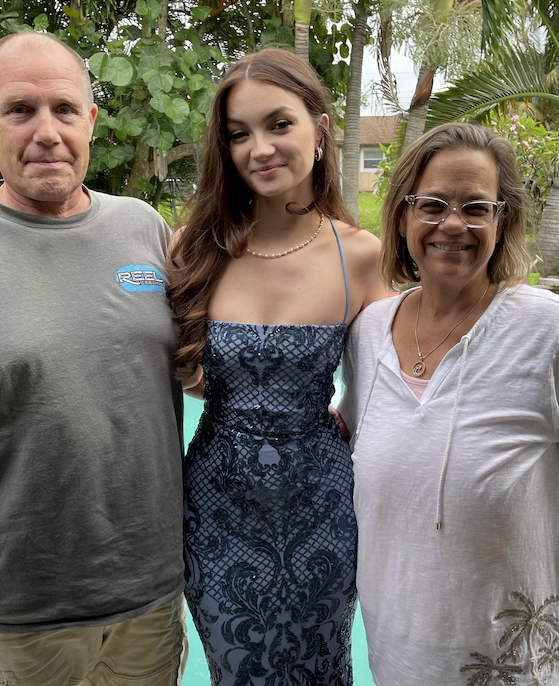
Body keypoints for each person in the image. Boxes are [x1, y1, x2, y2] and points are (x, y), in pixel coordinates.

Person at [0, 33, 188, 685]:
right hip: (14, 618)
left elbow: (189, 370)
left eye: (64, 109)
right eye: (21, 110)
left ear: (91, 119)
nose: (47, 132)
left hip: (150, 603)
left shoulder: (143, 228)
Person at [338, 123, 559, 686]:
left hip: (513, 658)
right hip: (397, 650)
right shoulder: (368, 331)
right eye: (432, 205)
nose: (453, 224)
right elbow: (356, 436)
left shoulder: (555, 332)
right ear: (402, 217)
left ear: (503, 222)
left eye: (476, 207)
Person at [166, 48, 385, 685]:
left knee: (322, 666)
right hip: (216, 505)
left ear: (320, 130)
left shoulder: (360, 255)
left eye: (279, 124)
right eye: (238, 134)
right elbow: (183, 375)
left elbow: (390, 383)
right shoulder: (194, 248)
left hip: (321, 507)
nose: (259, 149)